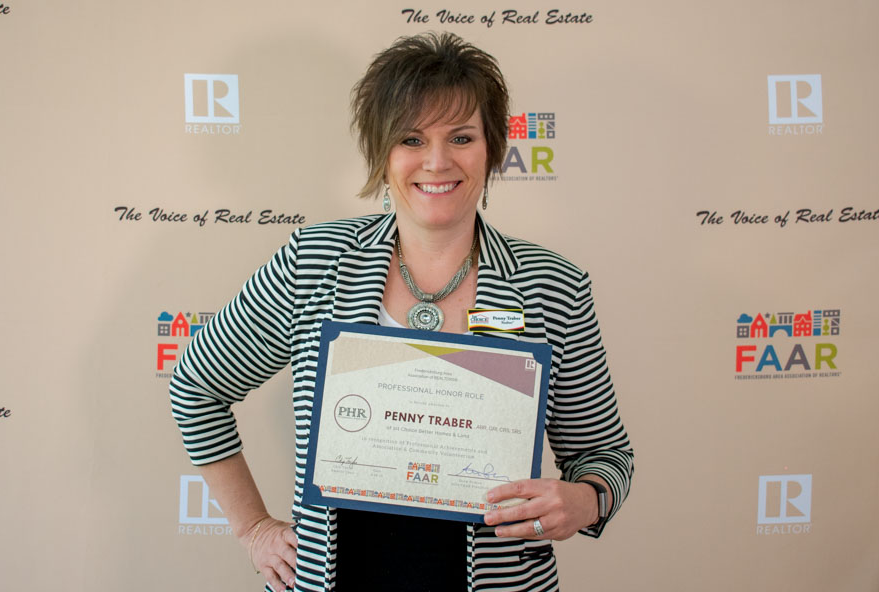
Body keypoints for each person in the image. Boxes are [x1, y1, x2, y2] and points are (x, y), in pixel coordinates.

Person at [170, 32, 634, 591]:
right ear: (381, 152)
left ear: (491, 148)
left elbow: (605, 454)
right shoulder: (314, 262)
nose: (437, 161)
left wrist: (586, 500)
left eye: (461, 137)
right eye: (412, 138)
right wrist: (253, 528)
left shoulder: (550, 285)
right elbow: (195, 387)